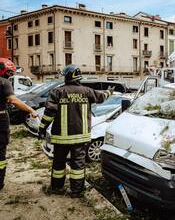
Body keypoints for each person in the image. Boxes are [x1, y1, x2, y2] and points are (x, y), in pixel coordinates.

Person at [38, 64, 113, 198]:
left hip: (61, 138)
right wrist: (109, 92)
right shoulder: (87, 91)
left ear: (67, 77)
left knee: (59, 163)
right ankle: (76, 191)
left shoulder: (57, 92)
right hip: (80, 138)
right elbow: (101, 97)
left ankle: (56, 188)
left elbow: (49, 113)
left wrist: (42, 128)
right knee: (78, 164)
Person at [0, 61, 38, 190]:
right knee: (1, 151)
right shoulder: (4, 82)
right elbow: (13, 100)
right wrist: (31, 110)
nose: (10, 75)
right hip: (1, 119)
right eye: (9, 72)